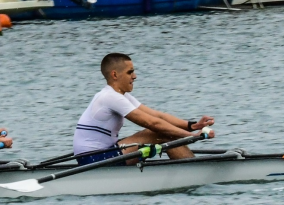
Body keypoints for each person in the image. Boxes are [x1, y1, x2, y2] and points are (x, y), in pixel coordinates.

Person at [73, 53, 215, 165]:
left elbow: (158, 116)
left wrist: (192, 126)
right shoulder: (110, 97)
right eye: (130, 72)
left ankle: (189, 167)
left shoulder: (120, 95)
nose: (134, 76)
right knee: (161, 133)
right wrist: (191, 136)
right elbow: (152, 123)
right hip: (93, 159)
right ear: (115, 75)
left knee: (162, 132)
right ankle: (193, 171)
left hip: (101, 153)